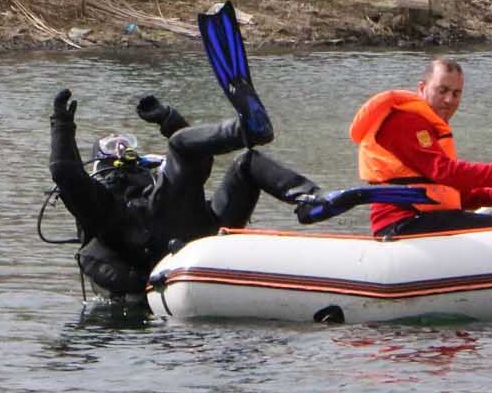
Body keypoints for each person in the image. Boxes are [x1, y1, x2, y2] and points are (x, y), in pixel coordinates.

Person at [48, 89, 320, 299]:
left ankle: (310, 199)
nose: (122, 150)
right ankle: (246, 129)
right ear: (98, 163)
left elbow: (195, 155)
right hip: (150, 248)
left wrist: (169, 120)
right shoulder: (99, 207)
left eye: (127, 144)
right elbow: (65, 172)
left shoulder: (159, 188)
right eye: (112, 147)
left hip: (199, 231)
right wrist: (61, 124)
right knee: (179, 145)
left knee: (246, 164)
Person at [348, 57, 492, 239]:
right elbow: (443, 171)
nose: (449, 99)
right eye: (442, 91)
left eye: (456, 93)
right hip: (403, 223)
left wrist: (489, 196)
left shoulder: (428, 125)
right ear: (422, 88)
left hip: (425, 216)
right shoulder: (405, 123)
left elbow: (442, 190)